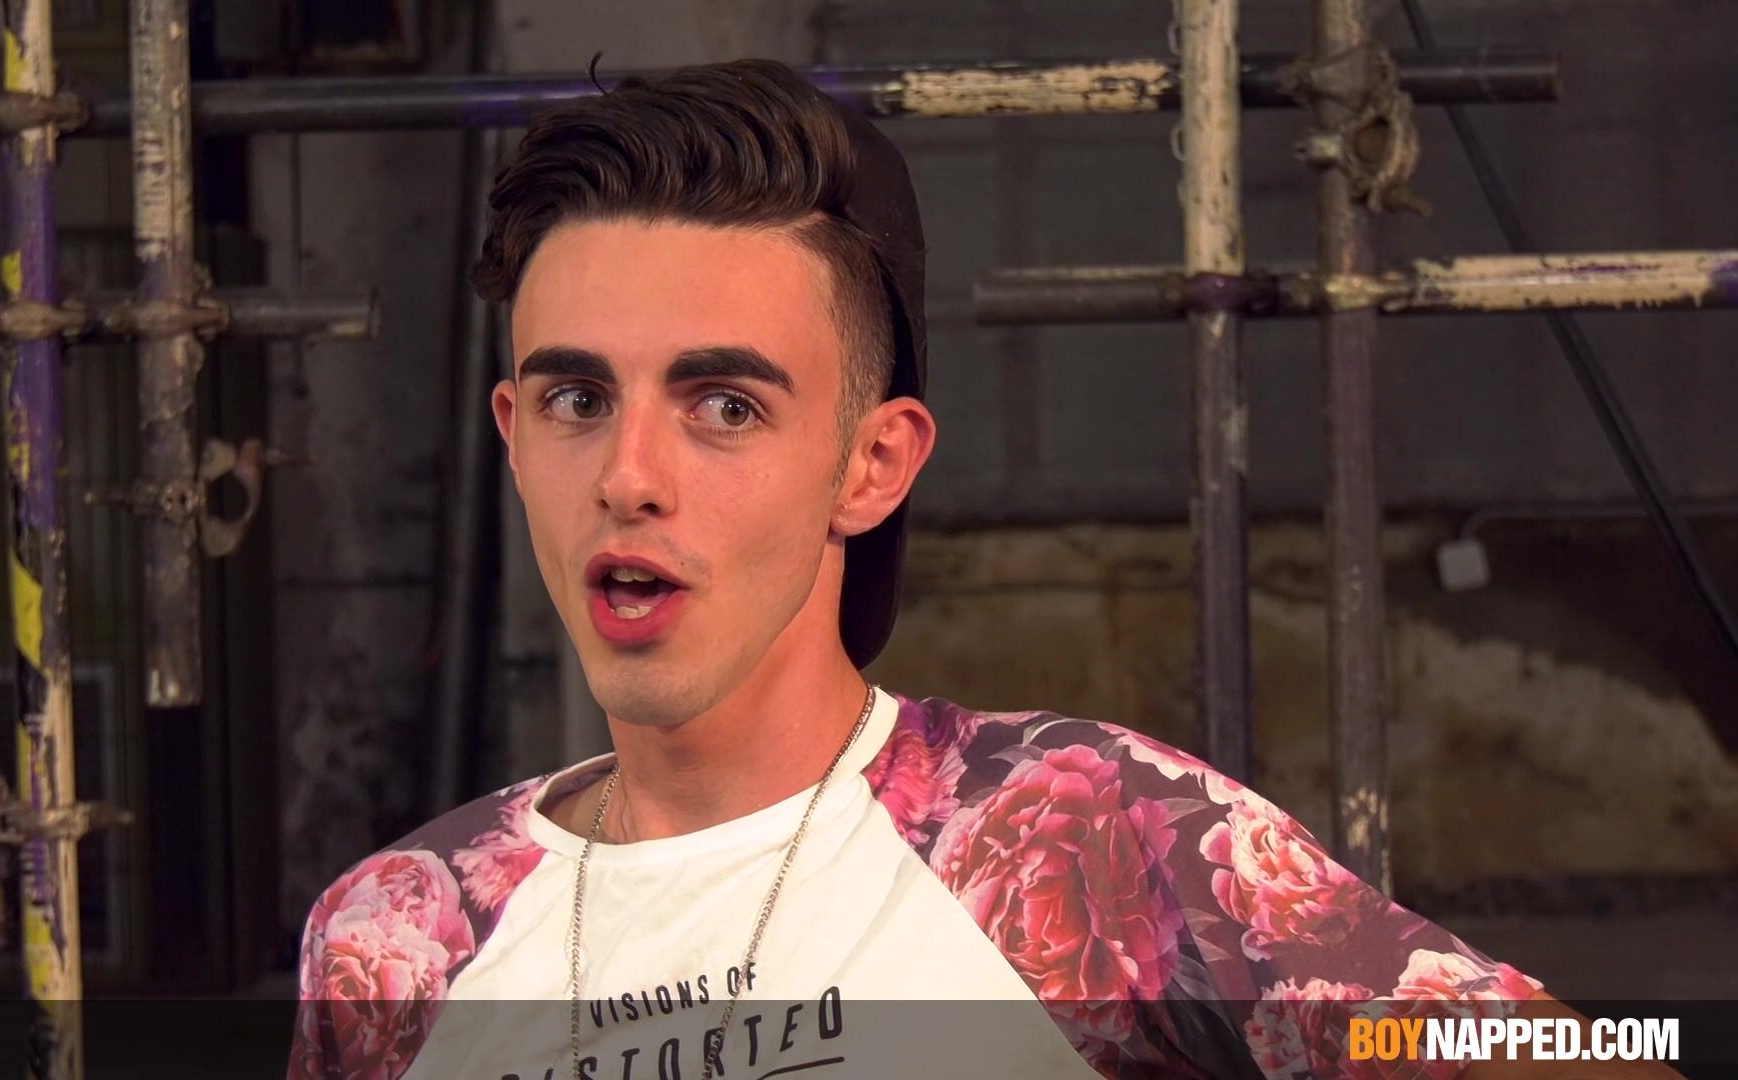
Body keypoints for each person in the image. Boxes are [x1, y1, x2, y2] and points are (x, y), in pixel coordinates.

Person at [288, 59, 1669, 1080]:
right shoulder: (398, 937)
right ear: (514, 434)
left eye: (726, 405)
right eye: (578, 399)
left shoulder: (1084, 839)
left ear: (871, 465)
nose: (628, 473)